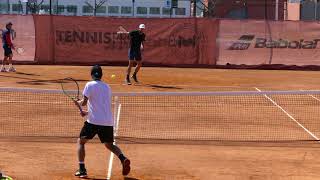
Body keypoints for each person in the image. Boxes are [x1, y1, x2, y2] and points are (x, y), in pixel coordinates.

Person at [74, 65, 130, 178]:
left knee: (81, 142)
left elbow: (84, 102)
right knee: (110, 145)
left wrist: (78, 102)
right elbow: (101, 106)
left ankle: (82, 169)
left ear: (91, 74)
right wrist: (87, 113)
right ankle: (123, 158)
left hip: (93, 122)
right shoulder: (107, 87)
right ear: (101, 75)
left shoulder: (89, 85)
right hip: (107, 122)